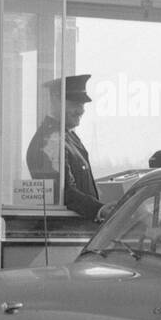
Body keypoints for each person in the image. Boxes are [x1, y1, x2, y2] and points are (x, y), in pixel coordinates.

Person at [26, 73, 103, 220]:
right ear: (56, 100)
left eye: (82, 105)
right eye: (75, 103)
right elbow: (62, 192)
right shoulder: (49, 140)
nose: (81, 110)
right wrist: (100, 210)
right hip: (66, 230)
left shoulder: (66, 137)